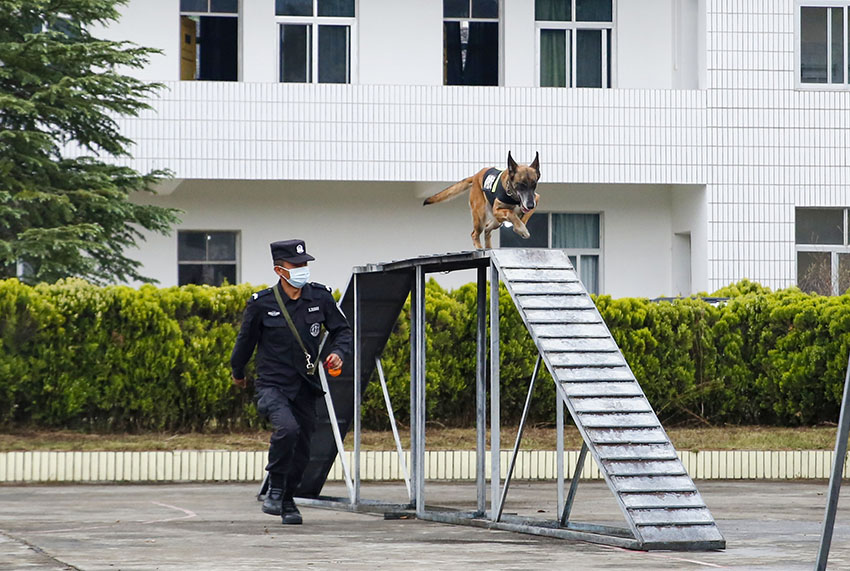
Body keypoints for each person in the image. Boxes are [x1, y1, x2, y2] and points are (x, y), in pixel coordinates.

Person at [231, 239, 352, 525]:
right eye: (295, 265)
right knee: (287, 429)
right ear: (279, 270)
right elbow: (245, 343)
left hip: (305, 386)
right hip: (272, 384)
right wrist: (238, 372)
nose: (302, 270)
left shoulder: (320, 297)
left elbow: (342, 330)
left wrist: (338, 353)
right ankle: (274, 488)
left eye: (304, 264)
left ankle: (287, 499)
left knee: (303, 447)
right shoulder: (262, 304)